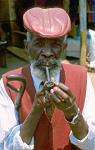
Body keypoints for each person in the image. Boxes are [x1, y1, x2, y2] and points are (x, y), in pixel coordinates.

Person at [0, 7, 95, 150]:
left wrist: (72, 112)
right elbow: (5, 146)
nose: (47, 53)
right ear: (27, 46)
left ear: (64, 48)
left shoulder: (81, 77)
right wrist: (36, 109)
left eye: (55, 44)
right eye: (38, 43)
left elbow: (92, 144)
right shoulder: (9, 83)